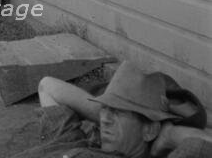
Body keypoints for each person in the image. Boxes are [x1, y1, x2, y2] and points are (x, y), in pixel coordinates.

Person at [12, 61, 211, 158]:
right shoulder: (72, 139)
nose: (106, 118)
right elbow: (47, 87)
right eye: (105, 109)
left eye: (119, 111)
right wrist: (104, 115)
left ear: (150, 130)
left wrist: (169, 134)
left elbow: (201, 146)